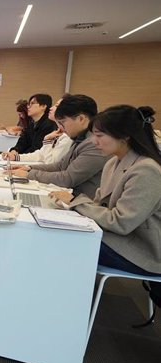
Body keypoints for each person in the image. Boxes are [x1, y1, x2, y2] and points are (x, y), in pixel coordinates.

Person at [49, 105, 161, 275]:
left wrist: (75, 202)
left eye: (99, 135)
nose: (94, 141)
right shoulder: (112, 163)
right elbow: (99, 206)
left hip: (142, 251)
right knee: (58, 234)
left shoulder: (147, 170)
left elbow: (121, 223)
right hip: (117, 238)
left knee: (63, 243)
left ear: (124, 136)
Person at [11, 94, 109, 197]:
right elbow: (61, 165)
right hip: (70, 197)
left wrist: (29, 174)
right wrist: (29, 168)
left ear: (81, 119)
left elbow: (68, 178)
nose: (62, 127)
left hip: (80, 202)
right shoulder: (80, 138)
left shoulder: (93, 143)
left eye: (63, 122)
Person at [4, 96, 73, 163]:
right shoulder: (32, 123)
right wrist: (15, 153)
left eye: (32, 103)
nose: (51, 108)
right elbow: (39, 153)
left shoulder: (64, 134)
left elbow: (50, 162)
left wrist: (47, 140)